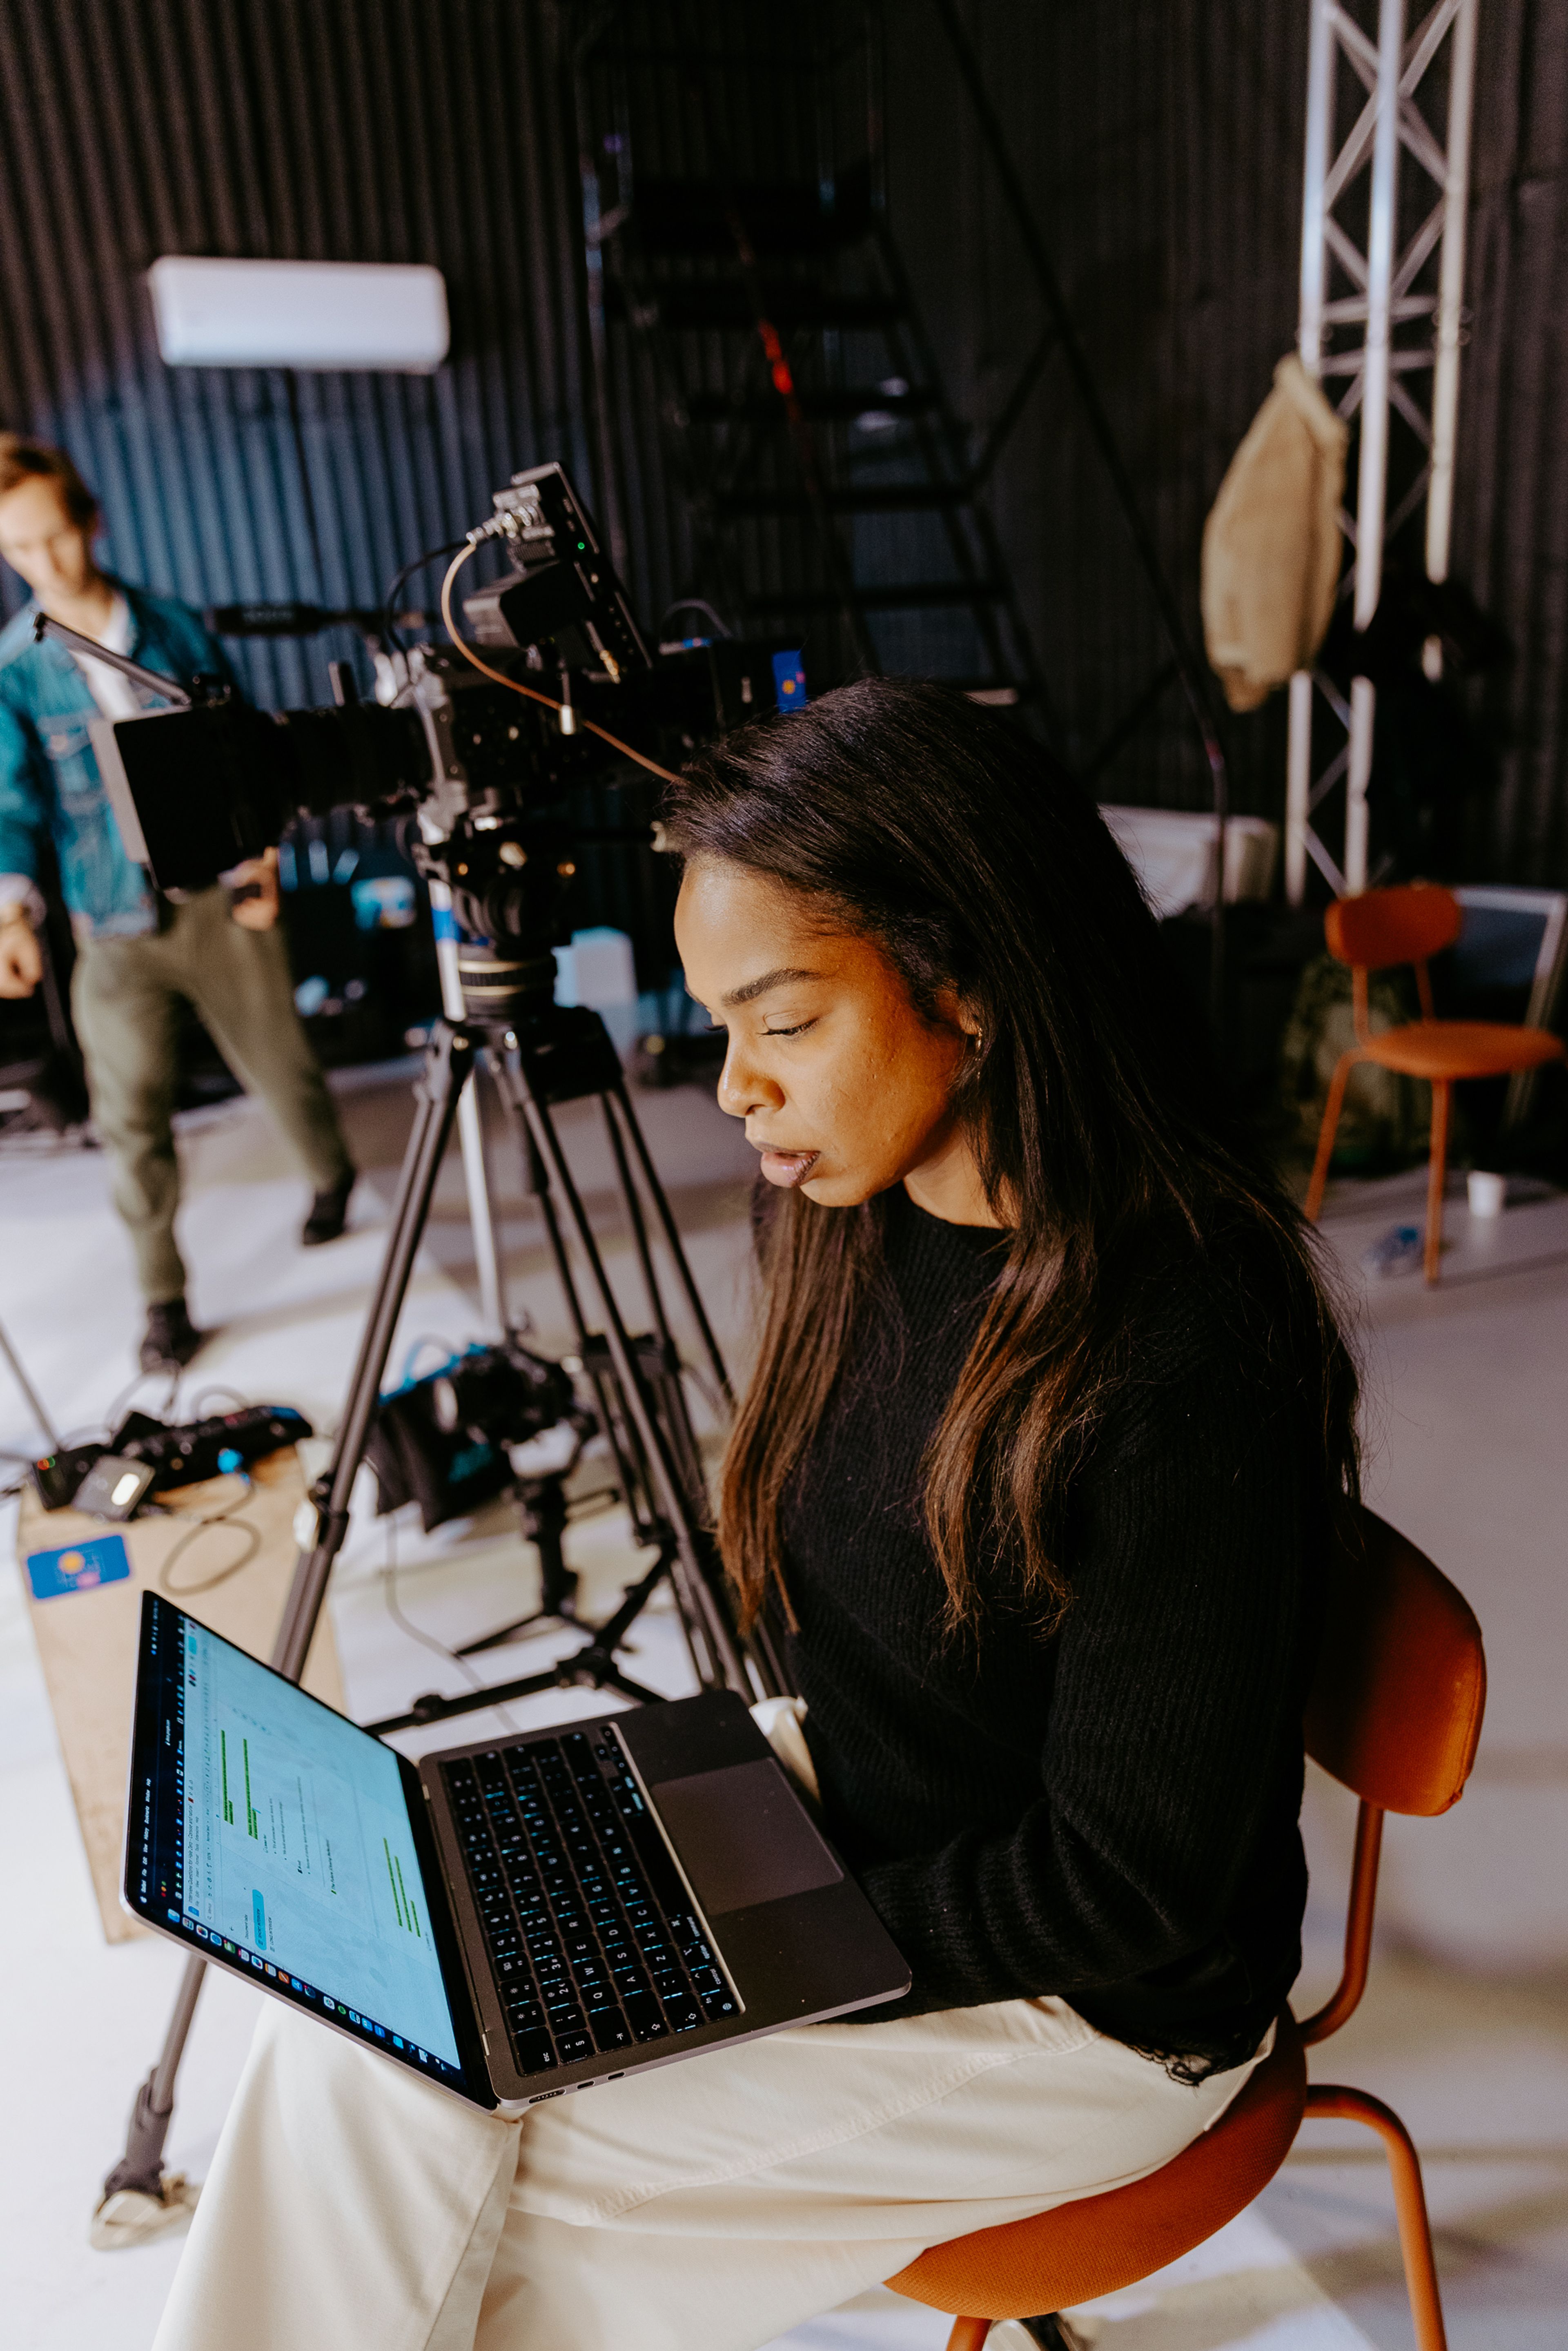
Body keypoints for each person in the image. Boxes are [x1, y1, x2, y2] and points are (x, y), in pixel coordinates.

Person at [150, 678, 1359, 2351]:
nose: (733, 1085)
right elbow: (871, 1657)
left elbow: (1131, 1887)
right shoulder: (864, 1217)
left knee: (436, 2219)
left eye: (783, 1020)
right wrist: (688, 1877)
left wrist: (713, 1941)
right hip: (858, 1826)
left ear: (977, 986)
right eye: (719, 1022)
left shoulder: (1190, 1339)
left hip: (1098, 2012)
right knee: (355, 2019)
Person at [0, 435, 355, 1372]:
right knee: (131, 1120)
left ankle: (331, 1176)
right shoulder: (14, 669)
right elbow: (11, 803)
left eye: (56, 538)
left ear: (90, 521)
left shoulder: (176, 627)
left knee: (282, 1066)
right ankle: (163, 1300)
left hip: (215, 897)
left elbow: (243, 751)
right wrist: (8, 912)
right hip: (110, 926)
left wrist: (264, 863)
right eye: (19, 550)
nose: (45, 565)